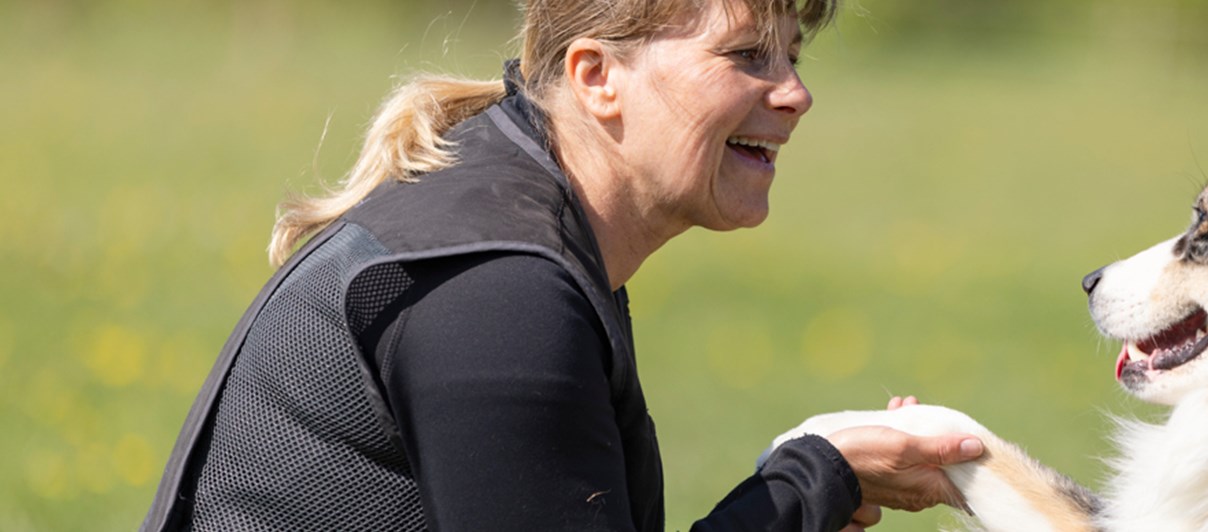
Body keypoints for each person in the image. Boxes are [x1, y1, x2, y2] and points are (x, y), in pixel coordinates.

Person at [141, 0, 983, 530]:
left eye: (793, 56)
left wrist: (816, 471)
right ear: (597, 76)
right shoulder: (497, 294)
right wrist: (814, 482)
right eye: (745, 55)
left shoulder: (515, 222)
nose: (796, 92)